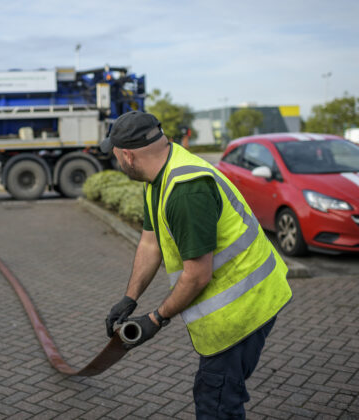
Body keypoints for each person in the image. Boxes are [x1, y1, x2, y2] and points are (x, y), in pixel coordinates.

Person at [102, 111, 292, 419]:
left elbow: (197, 275)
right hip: (237, 302)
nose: (117, 162)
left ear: (128, 155)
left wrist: (155, 319)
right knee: (215, 395)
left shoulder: (186, 189)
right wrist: (130, 298)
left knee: (216, 402)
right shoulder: (157, 179)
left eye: (115, 155)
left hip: (245, 306)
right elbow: (151, 243)